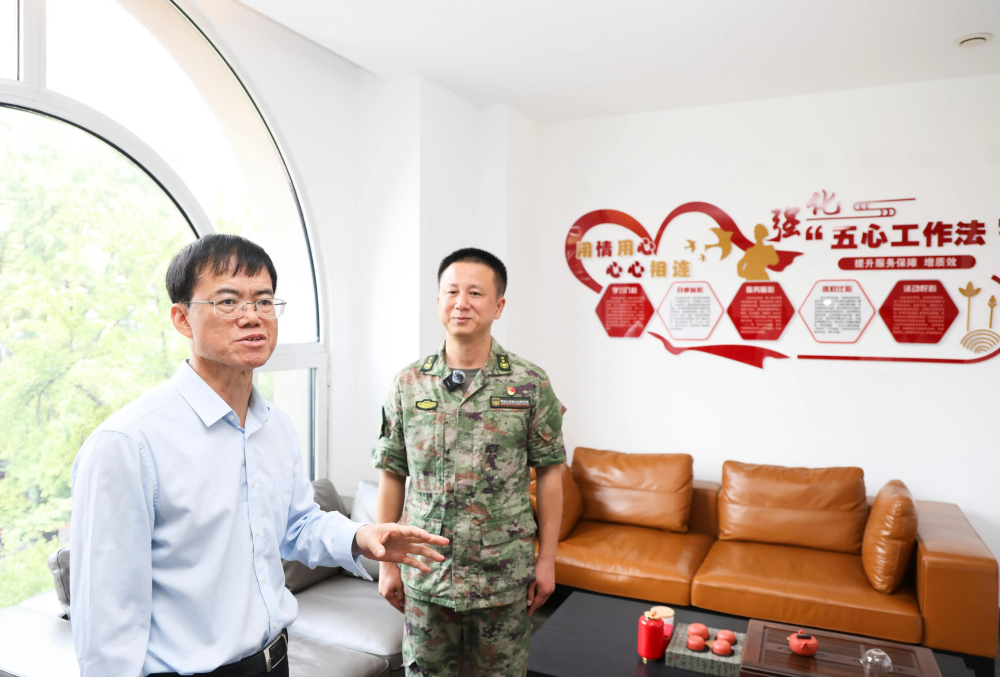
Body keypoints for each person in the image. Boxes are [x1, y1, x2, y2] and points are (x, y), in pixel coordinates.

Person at [70, 234, 448, 677]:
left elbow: (295, 525)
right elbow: (107, 624)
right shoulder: (127, 444)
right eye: (228, 302)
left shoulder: (275, 426)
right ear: (182, 319)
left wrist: (360, 536)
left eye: (264, 301)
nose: (252, 316)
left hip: (275, 662)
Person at [373, 248, 567, 677]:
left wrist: (547, 561)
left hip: (503, 577)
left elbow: (550, 473)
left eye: (475, 293)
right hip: (426, 573)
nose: (461, 303)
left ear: (499, 306)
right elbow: (391, 474)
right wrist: (387, 564)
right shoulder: (408, 384)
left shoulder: (529, 383)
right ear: (438, 301)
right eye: (452, 292)